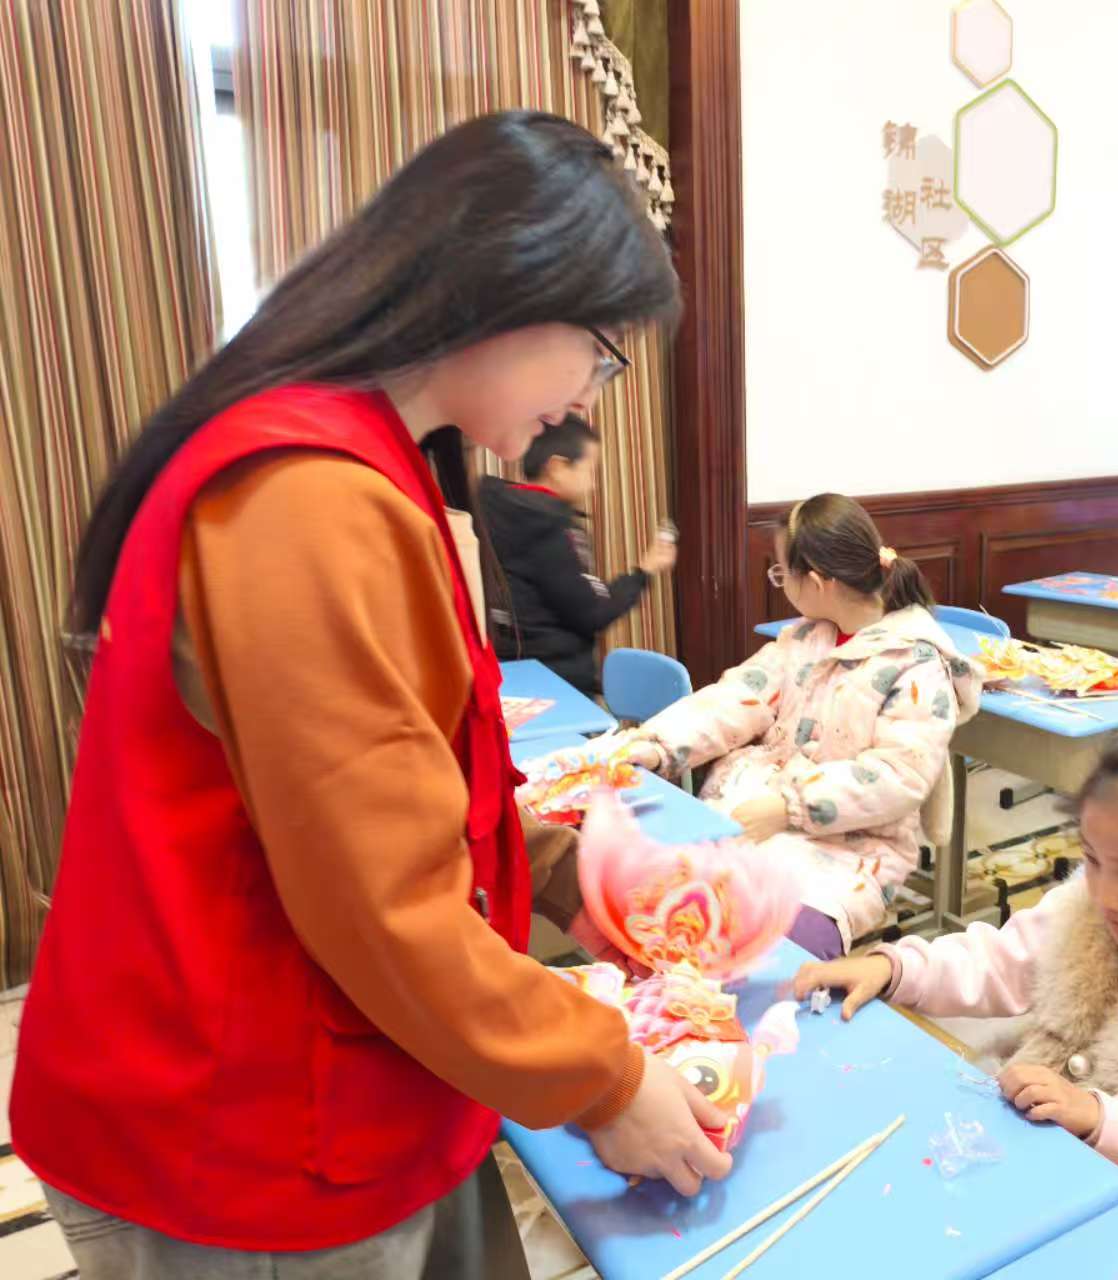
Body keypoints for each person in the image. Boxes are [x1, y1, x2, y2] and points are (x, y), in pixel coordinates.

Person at [11, 113, 732, 1280]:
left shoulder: (366, 458)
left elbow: (411, 786)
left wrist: (575, 877)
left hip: (347, 1086)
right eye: (599, 353)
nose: (583, 399)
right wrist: (603, 1077)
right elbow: (380, 901)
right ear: (512, 289)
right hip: (242, 1127)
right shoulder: (308, 494)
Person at [791, 728, 1118, 1266]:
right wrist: (895, 967)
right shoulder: (1091, 906)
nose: (1105, 893)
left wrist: (1097, 1116)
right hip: (1041, 1180)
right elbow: (998, 960)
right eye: (1092, 860)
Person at [612, 494, 982, 959]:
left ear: (818, 582)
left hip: (853, 850)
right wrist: (657, 744)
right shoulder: (805, 639)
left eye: (781, 571)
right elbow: (735, 698)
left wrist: (788, 807)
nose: (780, 581)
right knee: (667, 916)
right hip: (758, 815)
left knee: (766, 953)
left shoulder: (915, 664)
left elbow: (897, 777)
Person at [481, 413, 676, 696]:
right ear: (557, 467)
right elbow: (592, 613)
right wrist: (644, 571)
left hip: (510, 676)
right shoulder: (548, 525)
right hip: (557, 683)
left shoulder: (494, 507)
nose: (593, 484)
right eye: (589, 470)